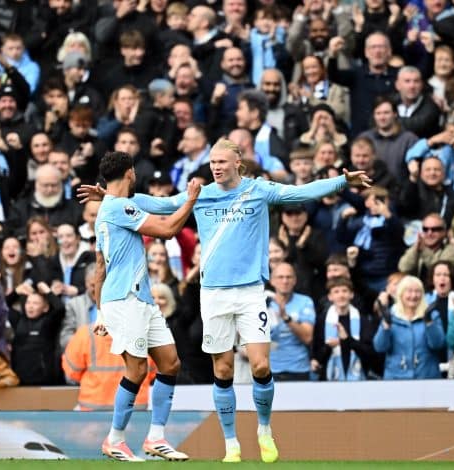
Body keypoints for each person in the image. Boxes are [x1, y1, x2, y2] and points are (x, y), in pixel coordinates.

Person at [79, 138, 371, 463]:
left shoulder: (258, 190)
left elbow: (300, 192)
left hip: (249, 292)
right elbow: (156, 205)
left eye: (221, 161)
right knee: (223, 367)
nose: (216, 167)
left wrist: (343, 181)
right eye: (212, 162)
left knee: (259, 364)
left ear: (238, 163)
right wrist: (109, 198)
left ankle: (263, 429)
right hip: (213, 294)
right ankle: (231, 442)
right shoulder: (201, 195)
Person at [94, 150, 199, 462]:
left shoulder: (117, 205)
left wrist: (101, 311)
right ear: (129, 173)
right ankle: (114, 439)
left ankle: (156, 438)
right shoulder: (118, 208)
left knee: (169, 363)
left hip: (139, 299)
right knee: (137, 369)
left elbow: (100, 267)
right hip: (124, 299)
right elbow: (167, 229)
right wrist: (192, 201)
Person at [373, 275, 446, 380]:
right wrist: (386, 325)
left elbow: (438, 344)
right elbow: (380, 347)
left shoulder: (432, 315)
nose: (413, 295)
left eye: (417, 291)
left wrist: (429, 322)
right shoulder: (391, 315)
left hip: (427, 378)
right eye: (409, 291)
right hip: (396, 379)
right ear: (401, 294)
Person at [266, 262, 315, 381]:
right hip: (269, 369)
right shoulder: (262, 302)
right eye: (280, 277)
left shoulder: (305, 302)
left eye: (289, 277)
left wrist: (285, 317)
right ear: (272, 281)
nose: (285, 281)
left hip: (298, 368)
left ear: (295, 280)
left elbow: (307, 337)